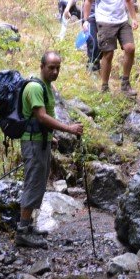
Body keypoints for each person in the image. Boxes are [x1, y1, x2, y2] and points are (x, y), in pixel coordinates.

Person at [14, 51, 84, 248]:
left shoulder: (46, 87)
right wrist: (69, 129)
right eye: (51, 67)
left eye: (58, 68)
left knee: (39, 184)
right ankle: (22, 232)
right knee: (33, 184)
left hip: (41, 141)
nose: (55, 71)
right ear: (42, 66)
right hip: (33, 143)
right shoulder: (36, 87)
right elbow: (42, 117)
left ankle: (29, 227)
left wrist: (50, 137)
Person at [82, 0, 139, 95]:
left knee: (130, 48)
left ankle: (125, 84)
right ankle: (104, 86)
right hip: (105, 20)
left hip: (122, 20)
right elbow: (89, 0)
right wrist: (85, 19)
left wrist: (134, 18)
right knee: (108, 54)